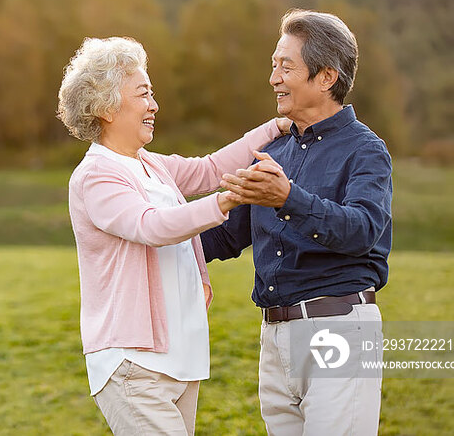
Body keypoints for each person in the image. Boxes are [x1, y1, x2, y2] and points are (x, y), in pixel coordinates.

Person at [57, 36, 289, 435]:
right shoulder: (97, 175)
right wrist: (226, 202)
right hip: (134, 363)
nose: (154, 105)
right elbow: (150, 226)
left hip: (179, 358)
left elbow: (210, 167)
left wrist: (274, 127)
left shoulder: (149, 165)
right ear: (107, 106)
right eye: (143, 94)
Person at [201, 9, 392, 436]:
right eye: (273, 65)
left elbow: (362, 229)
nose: (274, 78)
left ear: (326, 77)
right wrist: (147, 230)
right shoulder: (274, 151)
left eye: (286, 67)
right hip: (274, 338)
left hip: (338, 330)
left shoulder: (367, 150)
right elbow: (227, 235)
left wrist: (288, 198)